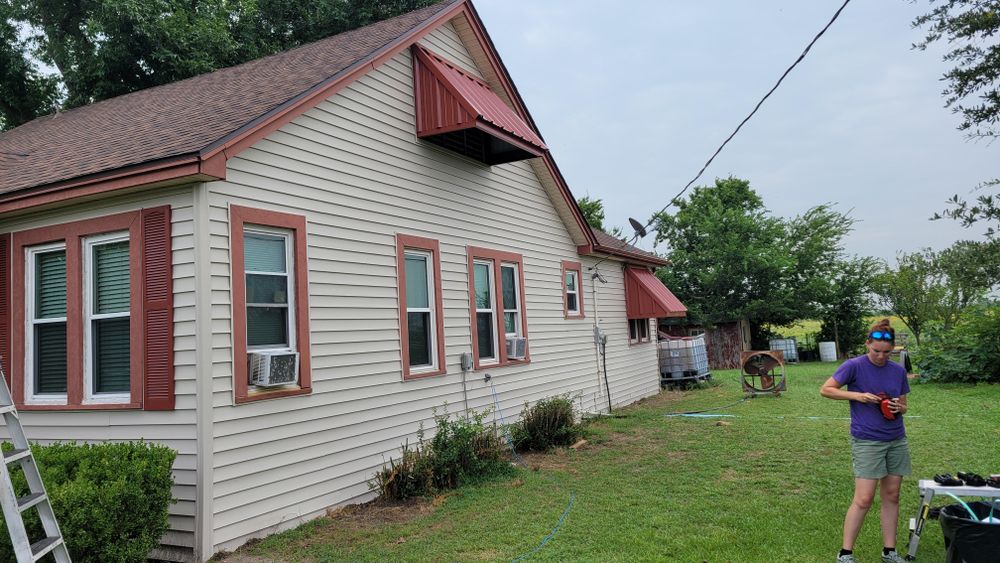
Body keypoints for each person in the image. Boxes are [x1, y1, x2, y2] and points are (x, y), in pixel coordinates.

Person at [820, 319, 910, 563]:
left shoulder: (898, 371)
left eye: (886, 352)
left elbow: (904, 406)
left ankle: (889, 551)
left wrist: (897, 407)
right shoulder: (854, 366)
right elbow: (826, 389)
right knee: (864, 498)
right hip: (867, 441)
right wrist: (857, 395)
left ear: (893, 350)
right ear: (867, 344)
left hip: (896, 439)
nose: (881, 357)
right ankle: (846, 553)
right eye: (876, 351)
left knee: (892, 495)